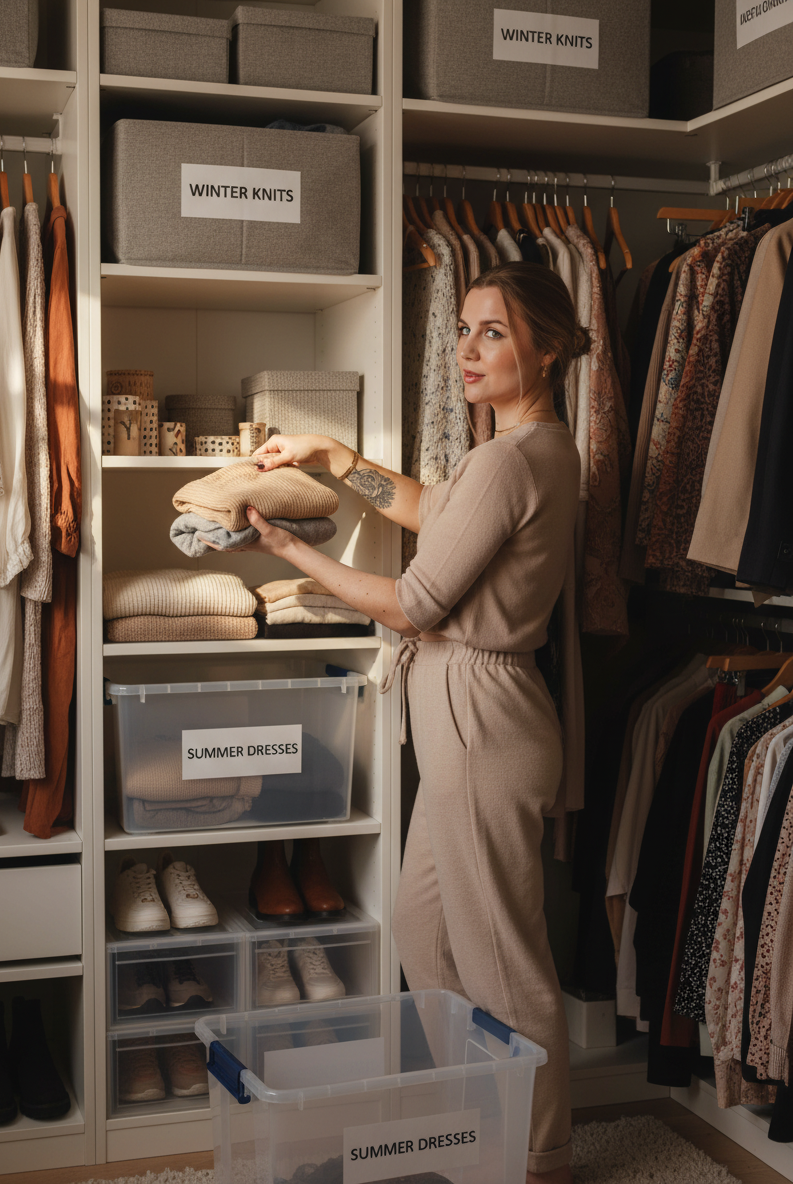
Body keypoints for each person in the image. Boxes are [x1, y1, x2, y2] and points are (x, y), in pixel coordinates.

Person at [204, 263, 586, 1182]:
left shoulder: (509, 458)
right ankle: (475, 1123)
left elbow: (416, 600)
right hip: (470, 717)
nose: (465, 349)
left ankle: (538, 1159)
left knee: (501, 959)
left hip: (481, 721)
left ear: (549, 347)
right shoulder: (526, 451)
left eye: (493, 332)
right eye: (463, 329)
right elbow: (431, 511)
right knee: (426, 934)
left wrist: (291, 549)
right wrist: (332, 456)